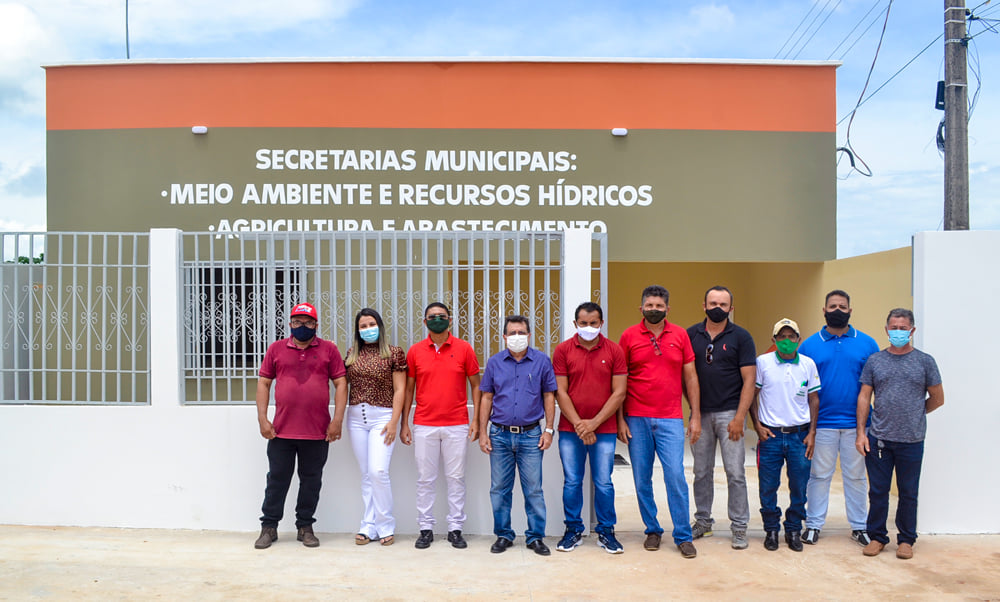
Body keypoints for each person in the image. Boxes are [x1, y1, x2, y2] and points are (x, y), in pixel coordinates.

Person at [254, 302, 348, 549]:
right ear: (290, 324)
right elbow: (264, 383)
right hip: (281, 431)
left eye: (307, 322)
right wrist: (262, 419)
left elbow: (340, 384)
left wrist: (337, 420)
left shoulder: (329, 350)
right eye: (297, 322)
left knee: (311, 481)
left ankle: (305, 527)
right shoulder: (276, 349)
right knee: (277, 480)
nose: (302, 326)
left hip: (317, 432)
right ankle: (269, 527)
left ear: (316, 325)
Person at [618, 285, 701, 559]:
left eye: (659, 306)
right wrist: (620, 420)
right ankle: (652, 530)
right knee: (642, 478)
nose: (654, 309)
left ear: (667, 308)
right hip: (636, 417)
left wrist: (695, 415)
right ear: (641, 308)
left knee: (675, 476)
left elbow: (690, 376)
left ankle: (683, 535)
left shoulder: (680, 335)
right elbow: (619, 380)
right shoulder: (629, 336)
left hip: (670, 418)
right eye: (650, 305)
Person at [856, 308, 944, 560]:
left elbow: (938, 398)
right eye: (893, 328)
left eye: (903, 328)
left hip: (912, 440)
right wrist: (861, 433)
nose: (898, 332)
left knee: (908, 492)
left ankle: (906, 540)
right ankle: (877, 537)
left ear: (912, 330)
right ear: (886, 330)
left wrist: (915, 413)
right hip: (879, 439)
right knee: (878, 492)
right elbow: (864, 397)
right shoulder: (875, 361)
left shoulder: (925, 362)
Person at [798, 290, 879, 547]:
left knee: (856, 477)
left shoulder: (867, 344)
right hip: (821, 424)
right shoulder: (809, 345)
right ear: (824, 310)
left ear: (850, 311)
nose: (837, 310)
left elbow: (875, 385)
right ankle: (813, 525)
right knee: (819, 476)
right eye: (832, 306)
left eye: (842, 307)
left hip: (858, 426)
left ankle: (859, 526)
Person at [400, 302, 482, 550]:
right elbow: (409, 390)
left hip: (457, 424)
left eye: (442, 316)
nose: (437, 319)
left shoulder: (464, 349)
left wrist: (476, 420)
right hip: (424, 424)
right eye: (432, 316)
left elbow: (476, 385)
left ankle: (455, 529)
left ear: (450, 320)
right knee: (425, 479)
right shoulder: (415, 351)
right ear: (425, 322)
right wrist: (404, 423)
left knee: (456, 478)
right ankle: (425, 529)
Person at [552, 302, 628, 554]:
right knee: (572, 481)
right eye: (583, 323)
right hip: (570, 430)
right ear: (575, 324)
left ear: (601, 323)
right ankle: (573, 530)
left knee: (603, 482)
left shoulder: (614, 350)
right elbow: (560, 392)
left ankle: (606, 531)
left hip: (604, 431)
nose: (588, 327)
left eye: (593, 323)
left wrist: (593, 424)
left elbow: (619, 392)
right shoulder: (563, 350)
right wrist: (579, 425)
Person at [479, 315, 558, 556]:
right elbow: (487, 397)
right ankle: (504, 535)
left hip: (531, 435)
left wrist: (548, 430)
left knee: (533, 489)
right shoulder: (494, 362)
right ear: (504, 337)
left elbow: (549, 396)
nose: (516, 337)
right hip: (499, 435)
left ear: (529, 335)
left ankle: (535, 537)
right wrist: (483, 432)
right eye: (512, 333)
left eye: (521, 333)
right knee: (499, 489)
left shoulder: (542, 361)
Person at [686, 286, 756, 550]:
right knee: (701, 472)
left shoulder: (741, 337)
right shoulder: (690, 335)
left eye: (723, 304)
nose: (718, 308)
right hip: (701, 414)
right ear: (703, 305)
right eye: (713, 303)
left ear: (731, 308)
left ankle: (739, 527)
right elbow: (686, 376)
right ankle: (703, 521)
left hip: (730, 414)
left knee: (735, 472)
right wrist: (693, 413)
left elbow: (749, 380)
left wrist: (739, 417)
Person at [750, 318, 820, 552]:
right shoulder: (763, 362)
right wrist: (757, 425)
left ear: (799, 339)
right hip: (770, 436)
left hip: (799, 436)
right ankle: (771, 529)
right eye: (782, 337)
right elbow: (752, 395)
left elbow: (814, 399)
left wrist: (812, 432)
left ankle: (793, 529)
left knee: (799, 486)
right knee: (768, 486)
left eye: (792, 336)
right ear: (774, 339)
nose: (787, 341)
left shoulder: (808, 364)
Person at [344, 308, 407, 547]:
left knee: (378, 471)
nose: (368, 329)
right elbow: (342, 383)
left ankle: (385, 525)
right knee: (366, 474)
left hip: (382, 417)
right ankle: (368, 526)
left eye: (371, 324)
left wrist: (394, 422)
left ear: (380, 326)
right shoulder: (351, 355)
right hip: (356, 418)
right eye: (363, 326)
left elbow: (400, 390)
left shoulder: (394, 353)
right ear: (357, 330)